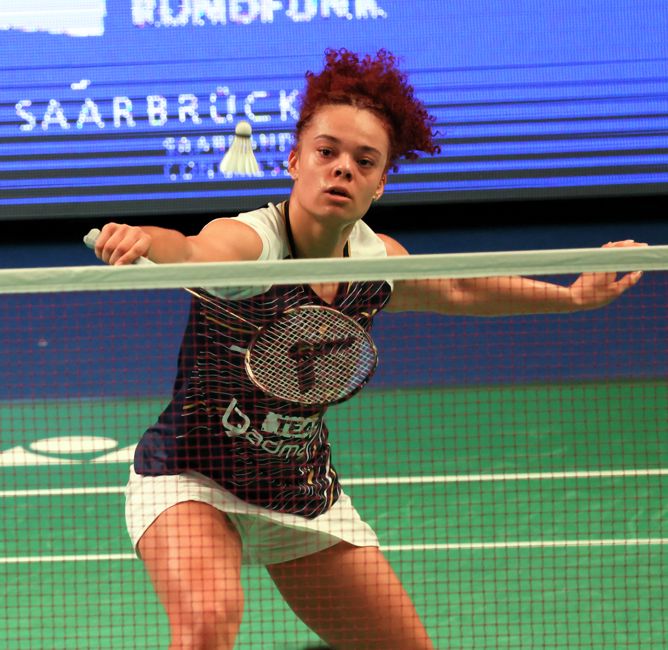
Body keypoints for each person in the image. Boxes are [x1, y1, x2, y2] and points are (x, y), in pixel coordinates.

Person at [92, 49, 644, 650]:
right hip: (191, 477)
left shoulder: (373, 264)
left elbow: (459, 287)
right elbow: (194, 251)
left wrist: (571, 298)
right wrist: (146, 239)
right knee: (207, 622)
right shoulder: (252, 244)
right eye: (326, 152)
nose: (342, 170)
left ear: (380, 183)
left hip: (296, 489)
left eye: (364, 161)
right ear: (296, 159)